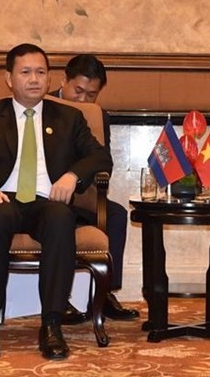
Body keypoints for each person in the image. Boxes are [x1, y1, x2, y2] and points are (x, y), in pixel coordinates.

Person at [0, 43, 113, 361]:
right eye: (25, 72)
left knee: (61, 218)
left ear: (50, 78)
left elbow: (99, 156)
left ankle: (51, 325)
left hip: (46, 200)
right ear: (9, 77)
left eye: (41, 72)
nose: (34, 79)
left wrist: (72, 177)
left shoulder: (70, 117)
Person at [49, 54, 139, 322]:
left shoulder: (99, 117)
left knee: (116, 214)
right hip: (42, 196)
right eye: (78, 91)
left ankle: (104, 292)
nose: (83, 100)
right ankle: (59, 297)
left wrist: (75, 178)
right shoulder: (41, 108)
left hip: (79, 193)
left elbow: (104, 164)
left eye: (91, 95)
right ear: (64, 80)